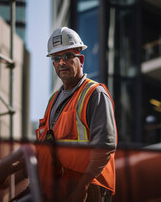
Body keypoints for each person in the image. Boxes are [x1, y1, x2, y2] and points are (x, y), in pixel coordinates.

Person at [35, 27, 117, 202]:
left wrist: (83, 188)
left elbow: (104, 147)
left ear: (80, 59)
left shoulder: (95, 94)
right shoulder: (53, 101)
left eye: (67, 56)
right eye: (56, 58)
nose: (62, 63)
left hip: (90, 191)